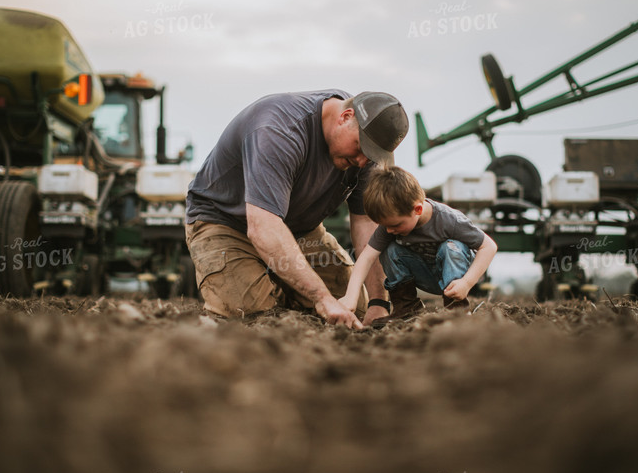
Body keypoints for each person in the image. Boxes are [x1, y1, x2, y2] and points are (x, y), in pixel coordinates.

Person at [184, 90, 409, 329]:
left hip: (299, 229)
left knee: (352, 308)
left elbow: (367, 224)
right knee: (249, 314)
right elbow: (264, 227)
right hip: (225, 223)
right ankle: (267, 288)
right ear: (345, 117)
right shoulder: (278, 132)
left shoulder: (364, 150)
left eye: (372, 155)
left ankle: (284, 286)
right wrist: (321, 298)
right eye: (361, 148)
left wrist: (378, 302)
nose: (363, 161)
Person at [339, 166, 498, 326]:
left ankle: (456, 311)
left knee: (451, 246)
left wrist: (467, 283)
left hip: (455, 280)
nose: (389, 230)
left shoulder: (449, 220)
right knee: (389, 248)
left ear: (418, 209)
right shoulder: (390, 225)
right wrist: (351, 297)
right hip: (424, 275)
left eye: (395, 225)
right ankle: (407, 309)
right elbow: (366, 258)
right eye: (385, 226)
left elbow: (489, 246)